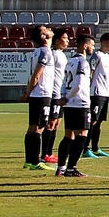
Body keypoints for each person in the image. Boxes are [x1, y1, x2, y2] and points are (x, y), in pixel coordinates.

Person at [55, 33, 95, 178]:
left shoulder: (70, 61)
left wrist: (64, 98)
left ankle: (60, 168)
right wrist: (67, 97)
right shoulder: (83, 63)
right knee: (82, 136)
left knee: (68, 136)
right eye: (92, 45)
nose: (93, 48)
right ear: (85, 46)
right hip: (79, 103)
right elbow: (78, 85)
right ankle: (71, 168)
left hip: (70, 104)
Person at [20, 25, 55, 171]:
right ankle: (34, 161)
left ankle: (29, 160)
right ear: (43, 36)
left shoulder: (37, 52)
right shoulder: (45, 52)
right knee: (38, 128)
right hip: (42, 94)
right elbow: (36, 76)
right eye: (45, 29)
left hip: (37, 95)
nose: (49, 29)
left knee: (32, 128)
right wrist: (27, 93)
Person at [42, 26, 71, 166]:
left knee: (57, 123)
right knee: (50, 123)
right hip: (54, 92)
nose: (68, 41)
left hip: (60, 93)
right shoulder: (53, 54)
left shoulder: (62, 54)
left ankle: (49, 152)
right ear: (57, 40)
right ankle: (44, 154)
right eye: (65, 38)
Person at [86, 32, 109, 158]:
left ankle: (96, 148)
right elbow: (90, 72)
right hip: (96, 92)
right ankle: (85, 148)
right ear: (103, 42)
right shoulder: (96, 55)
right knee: (93, 120)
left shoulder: (108, 57)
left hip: (104, 92)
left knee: (99, 121)